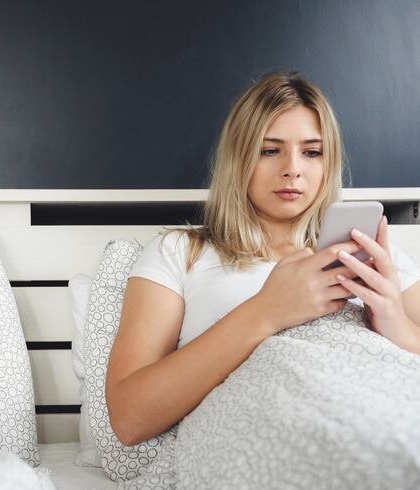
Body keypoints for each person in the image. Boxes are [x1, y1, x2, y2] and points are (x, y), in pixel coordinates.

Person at [105, 72, 420, 446]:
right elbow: (129, 418)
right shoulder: (180, 253)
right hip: (268, 441)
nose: (292, 168)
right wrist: (267, 311)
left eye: (312, 152)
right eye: (269, 150)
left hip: (382, 426)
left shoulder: (372, 255)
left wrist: (395, 323)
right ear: (238, 158)